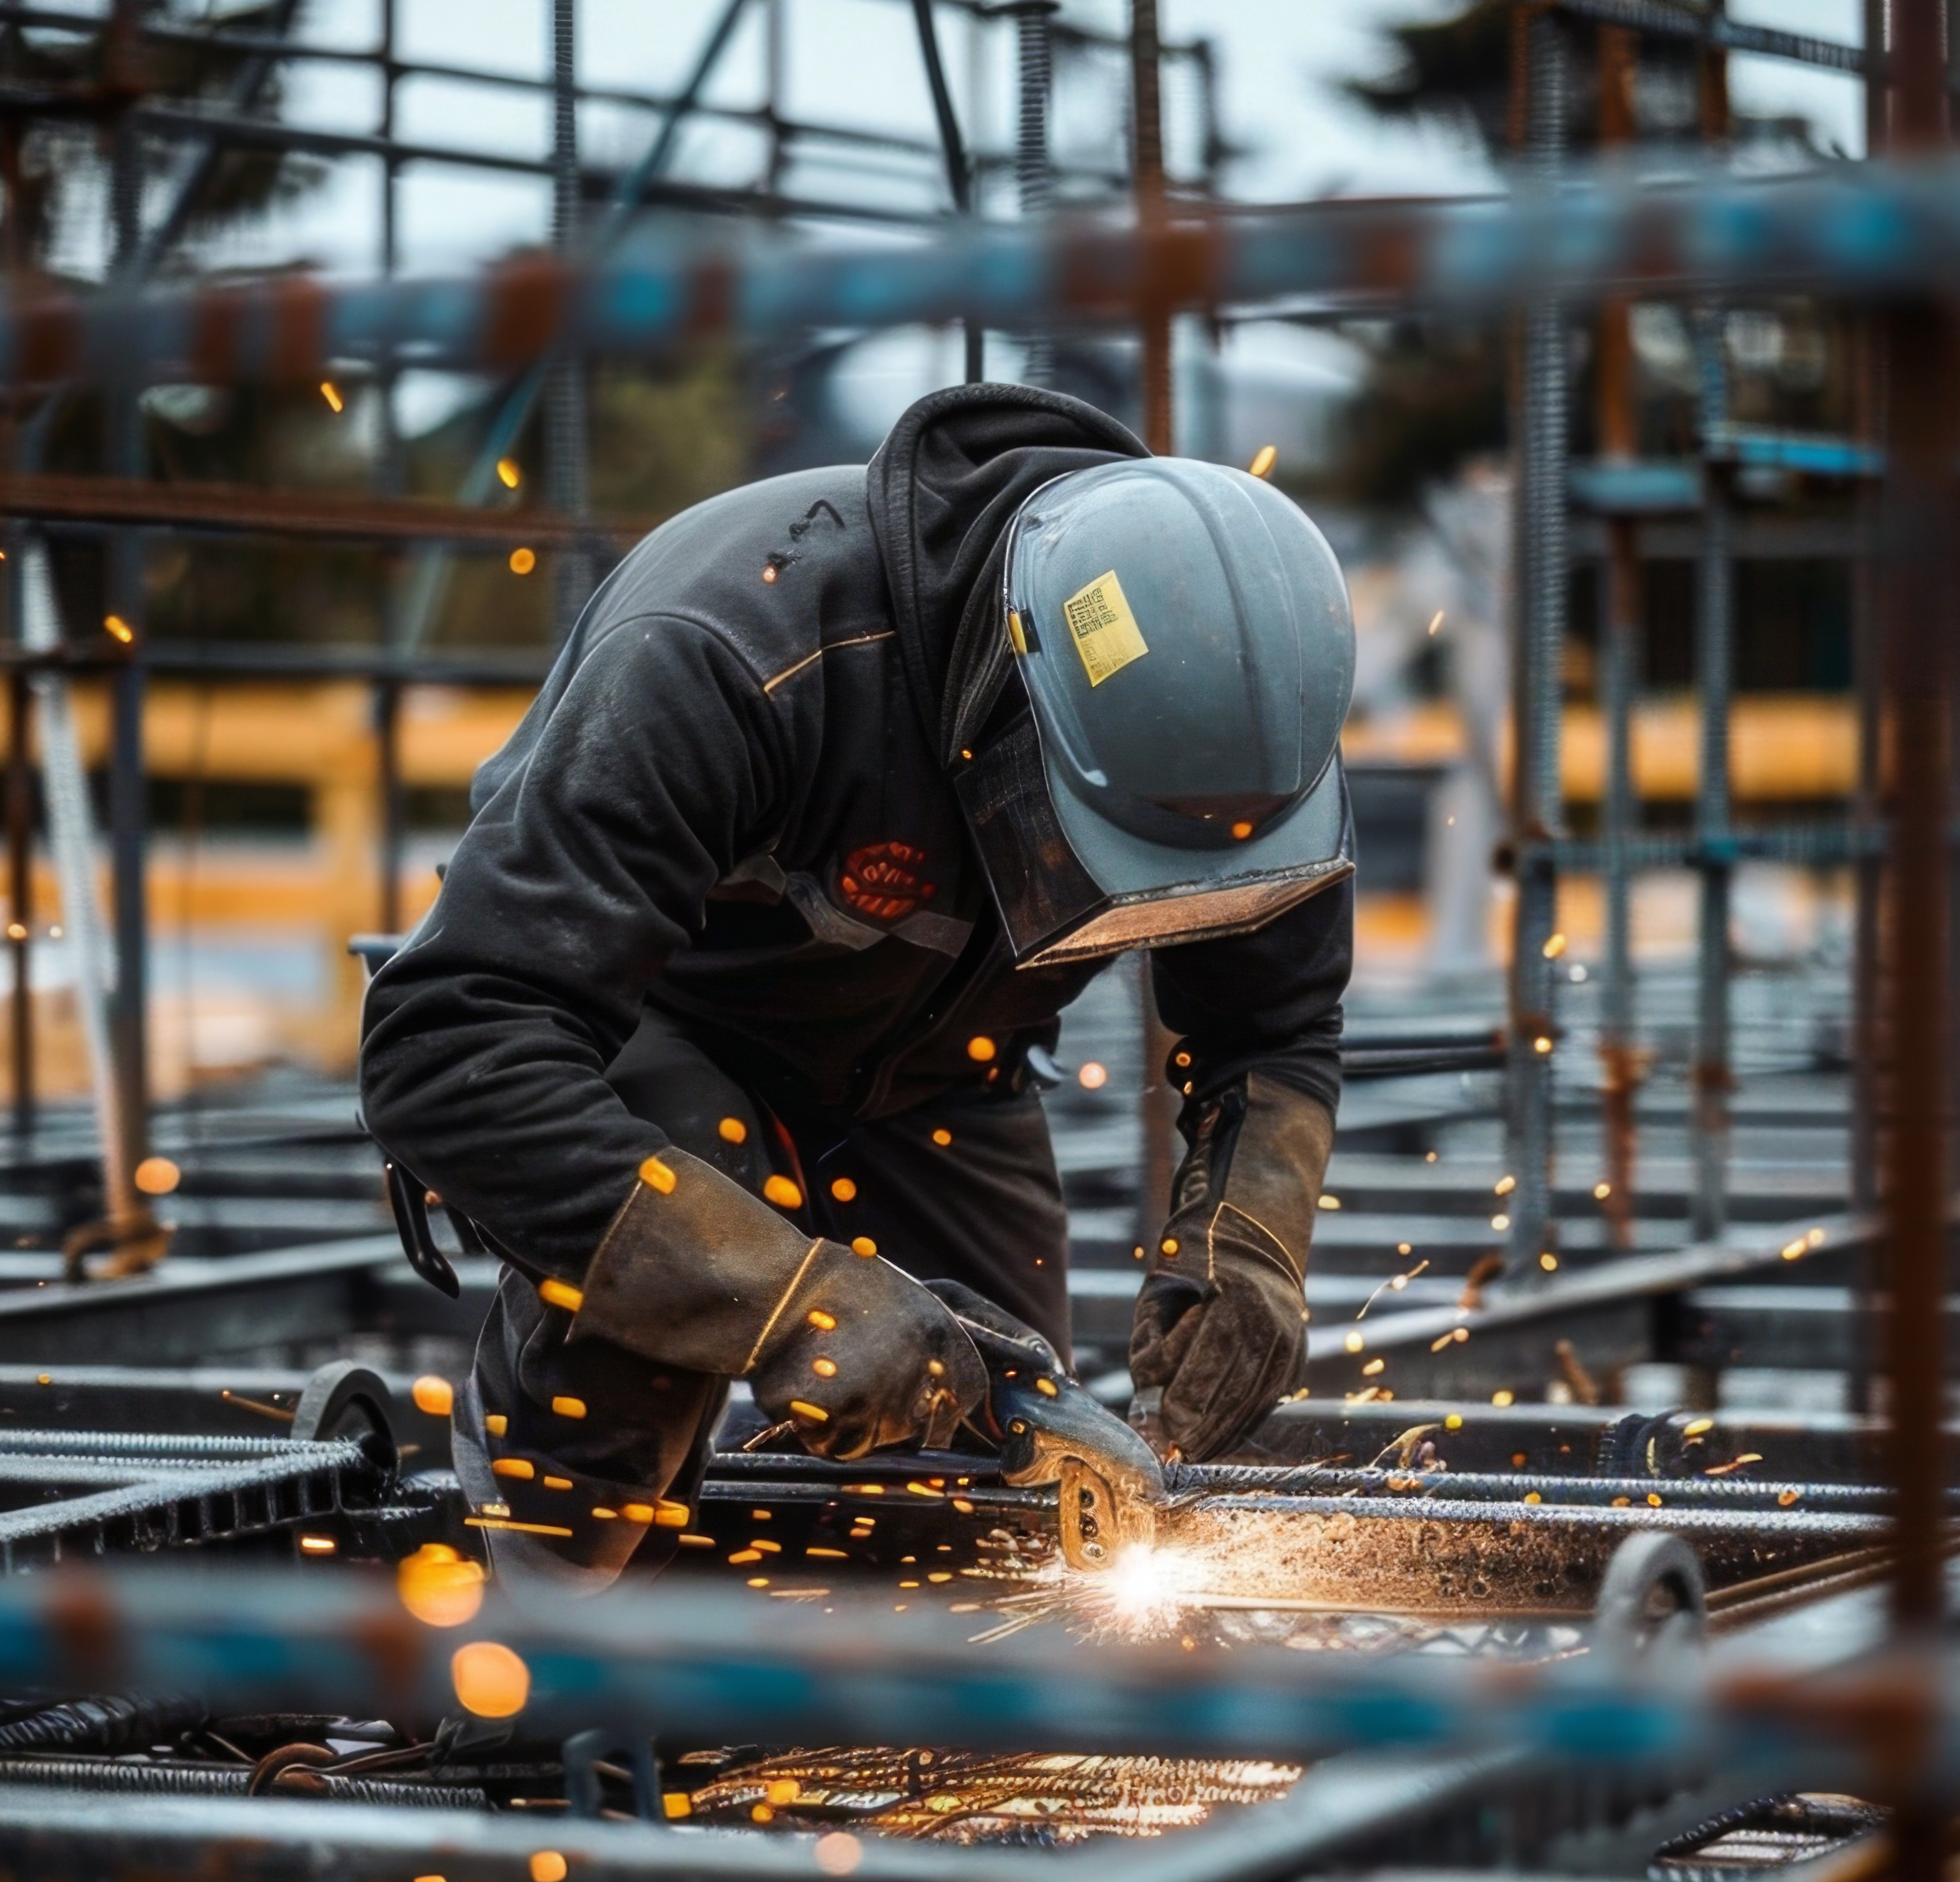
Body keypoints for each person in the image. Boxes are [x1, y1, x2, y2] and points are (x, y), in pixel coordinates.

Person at [359, 384, 1355, 1594]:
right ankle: (532, 1642)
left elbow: (1276, 1022)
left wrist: (1247, 1241)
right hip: (658, 1039)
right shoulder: (732, 645)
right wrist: (788, 1303)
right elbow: (448, 1046)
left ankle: (870, 1696)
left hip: (941, 1071)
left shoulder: (1229, 716)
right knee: (690, 1206)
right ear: (1007, 701)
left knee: (1008, 1464)